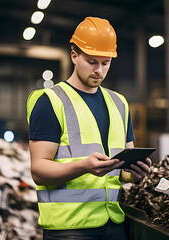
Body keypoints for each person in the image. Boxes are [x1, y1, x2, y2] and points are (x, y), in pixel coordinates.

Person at [27, 16, 152, 240]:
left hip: (113, 221)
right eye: (92, 61)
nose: (99, 70)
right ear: (74, 55)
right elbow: (38, 170)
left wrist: (135, 174)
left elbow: (121, 170)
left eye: (106, 63)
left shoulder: (119, 103)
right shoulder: (50, 101)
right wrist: (84, 166)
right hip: (69, 228)